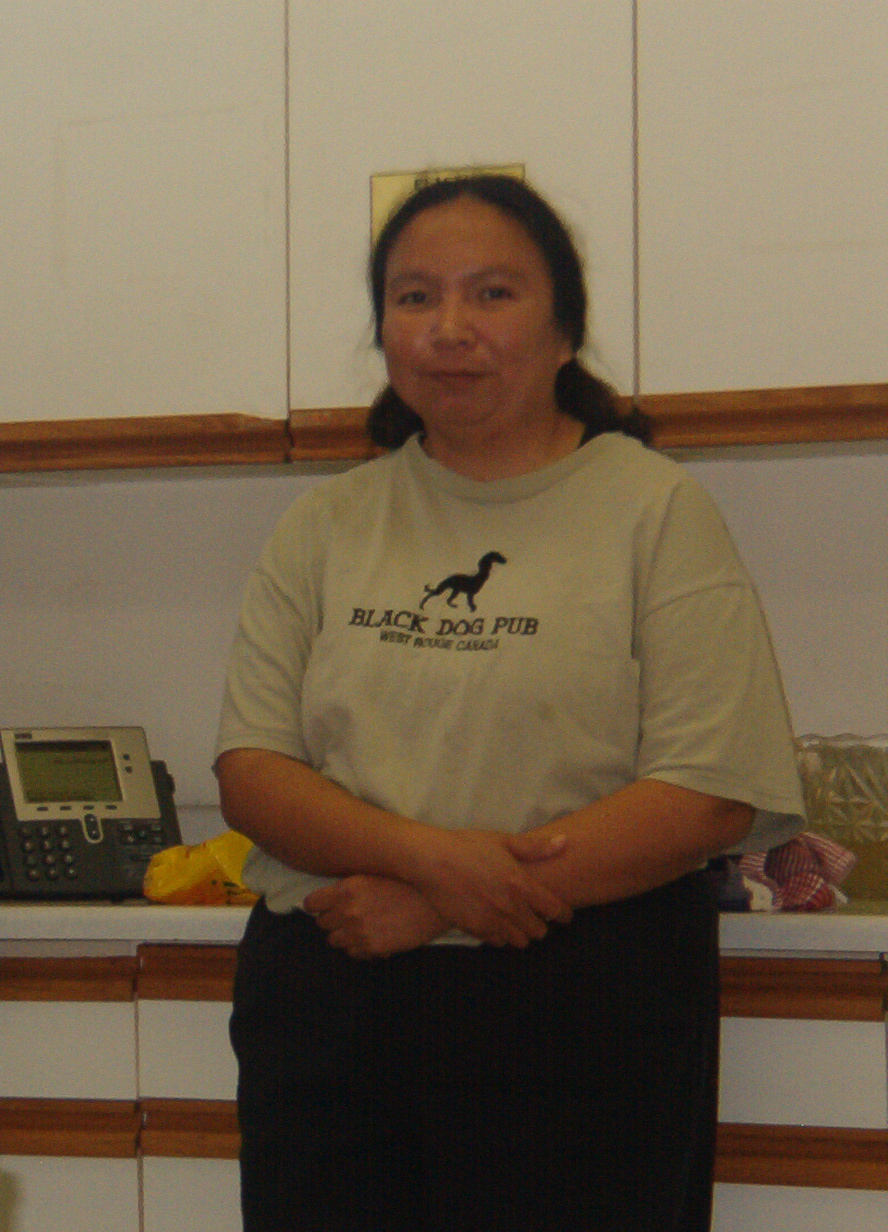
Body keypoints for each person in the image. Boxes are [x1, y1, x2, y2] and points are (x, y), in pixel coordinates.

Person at [215, 175, 805, 1231]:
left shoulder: (655, 509)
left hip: (581, 1000)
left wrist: (443, 897)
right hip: (333, 1000)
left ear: (565, 328)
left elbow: (710, 786)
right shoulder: (326, 523)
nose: (450, 329)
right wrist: (431, 862)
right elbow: (252, 769)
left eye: (492, 295)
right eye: (413, 297)